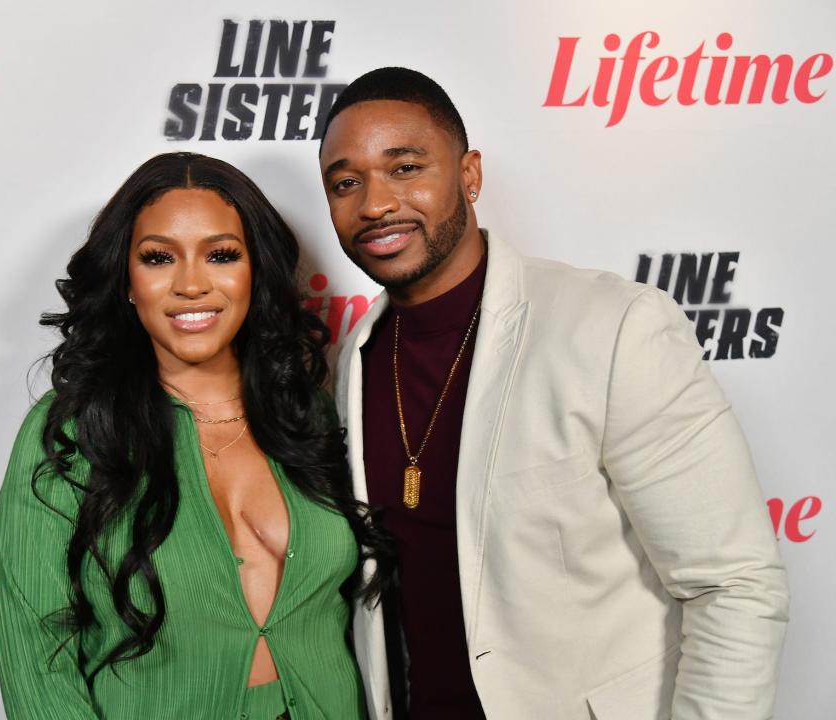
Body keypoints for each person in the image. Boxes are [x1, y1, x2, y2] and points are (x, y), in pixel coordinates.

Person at [318, 67, 789, 720]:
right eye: (346, 182)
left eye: (405, 168)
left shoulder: (611, 327)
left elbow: (733, 585)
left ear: (470, 174)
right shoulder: (353, 360)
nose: (374, 203)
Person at [0, 152, 384, 720]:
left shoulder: (310, 415)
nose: (192, 285)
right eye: (158, 258)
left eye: (221, 255)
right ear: (127, 281)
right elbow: (37, 663)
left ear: (256, 270)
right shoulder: (73, 435)